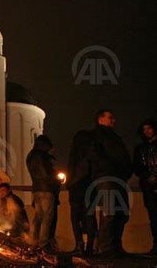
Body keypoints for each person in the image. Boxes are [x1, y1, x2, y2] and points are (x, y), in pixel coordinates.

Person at [88, 109, 132, 257]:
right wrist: (111, 168)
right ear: (101, 120)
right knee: (109, 212)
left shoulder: (113, 137)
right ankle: (105, 248)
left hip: (118, 178)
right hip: (107, 177)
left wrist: (125, 171)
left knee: (121, 213)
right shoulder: (97, 136)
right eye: (110, 117)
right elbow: (95, 155)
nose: (113, 120)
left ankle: (115, 246)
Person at [26, 135, 61, 251]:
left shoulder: (30, 156)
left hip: (36, 189)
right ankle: (43, 243)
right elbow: (46, 175)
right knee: (47, 217)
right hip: (46, 190)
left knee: (38, 217)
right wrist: (57, 179)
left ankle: (32, 242)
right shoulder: (42, 156)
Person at [67, 130, 97, 255]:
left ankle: (79, 244)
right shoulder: (93, 152)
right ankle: (90, 246)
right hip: (89, 188)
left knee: (75, 218)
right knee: (89, 217)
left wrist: (70, 184)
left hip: (76, 189)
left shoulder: (74, 153)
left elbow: (71, 170)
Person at [133, 119, 157, 255]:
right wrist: (148, 177)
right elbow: (137, 167)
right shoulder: (140, 148)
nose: (147, 131)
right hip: (148, 187)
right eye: (144, 129)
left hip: (149, 184)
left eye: (149, 128)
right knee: (153, 217)